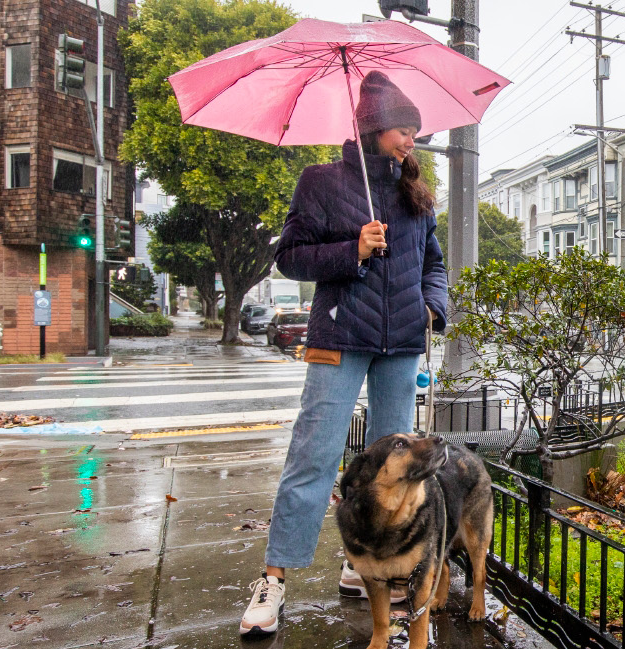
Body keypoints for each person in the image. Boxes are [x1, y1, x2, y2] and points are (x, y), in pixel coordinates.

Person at [239, 71, 448, 636]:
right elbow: (291, 258)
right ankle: (274, 579)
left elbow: (435, 264)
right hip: (338, 338)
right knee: (313, 456)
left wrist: (432, 305)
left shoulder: (416, 198)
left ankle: (369, 570)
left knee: (397, 475)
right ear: (372, 128)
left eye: (415, 132)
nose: (411, 141)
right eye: (402, 130)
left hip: (401, 344)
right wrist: (352, 249)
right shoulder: (321, 182)